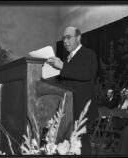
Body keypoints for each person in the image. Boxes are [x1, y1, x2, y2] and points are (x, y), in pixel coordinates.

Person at [46, 26, 98, 155]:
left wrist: (62, 66)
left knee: (81, 143)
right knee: (69, 144)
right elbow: (66, 82)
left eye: (68, 37)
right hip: (68, 108)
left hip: (81, 108)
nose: (65, 41)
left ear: (79, 37)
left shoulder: (88, 54)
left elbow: (87, 74)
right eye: (63, 38)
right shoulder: (68, 58)